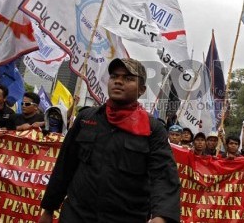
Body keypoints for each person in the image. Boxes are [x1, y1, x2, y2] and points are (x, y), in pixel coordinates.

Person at [39, 58, 180, 223]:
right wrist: (48, 208)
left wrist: (161, 216)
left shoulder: (152, 129)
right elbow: (64, 167)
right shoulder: (86, 118)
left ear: (141, 90)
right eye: (114, 76)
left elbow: (163, 175)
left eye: (128, 78)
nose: (118, 81)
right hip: (76, 215)